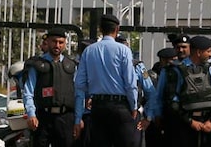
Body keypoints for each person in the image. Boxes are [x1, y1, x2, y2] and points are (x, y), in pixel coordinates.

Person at [73, 13, 138, 147]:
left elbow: (79, 85)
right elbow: (130, 83)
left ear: (100, 29)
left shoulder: (88, 51)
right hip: (120, 107)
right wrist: (134, 106)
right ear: (117, 29)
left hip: (98, 107)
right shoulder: (123, 50)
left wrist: (78, 117)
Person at [153, 35, 211, 147]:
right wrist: (190, 121)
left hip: (206, 122)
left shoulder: (210, 69)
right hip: (183, 123)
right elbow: (171, 100)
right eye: (207, 51)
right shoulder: (174, 70)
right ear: (198, 52)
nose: (210, 54)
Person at [23, 27, 77, 147]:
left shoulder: (71, 66)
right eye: (54, 41)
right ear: (48, 42)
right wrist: (31, 114)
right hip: (43, 117)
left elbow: (78, 93)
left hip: (65, 119)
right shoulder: (37, 65)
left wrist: (78, 119)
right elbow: (28, 92)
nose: (57, 45)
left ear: (65, 44)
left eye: (61, 42)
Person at [145, 48, 178, 147]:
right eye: (166, 60)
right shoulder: (151, 74)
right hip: (153, 116)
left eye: (172, 59)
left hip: (170, 114)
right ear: (161, 60)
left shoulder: (178, 72)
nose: (170, 62)